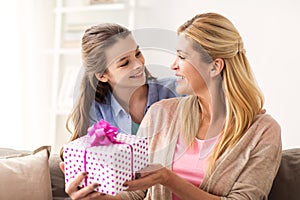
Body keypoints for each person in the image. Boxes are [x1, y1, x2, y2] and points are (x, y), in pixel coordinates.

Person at [62, 13, 282, 200]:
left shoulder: (262, 131)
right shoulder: (160, 113)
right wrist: (96, 196)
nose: (172, 65)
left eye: (181, 56)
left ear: (215, 66)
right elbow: (137, 193)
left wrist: (168, 179)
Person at [63, 23, 179, 147]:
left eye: (137, 53)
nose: (138, 65)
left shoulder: (176, 90)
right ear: (102, 75)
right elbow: (95, 158)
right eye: (125, 63)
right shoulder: (96, 111)